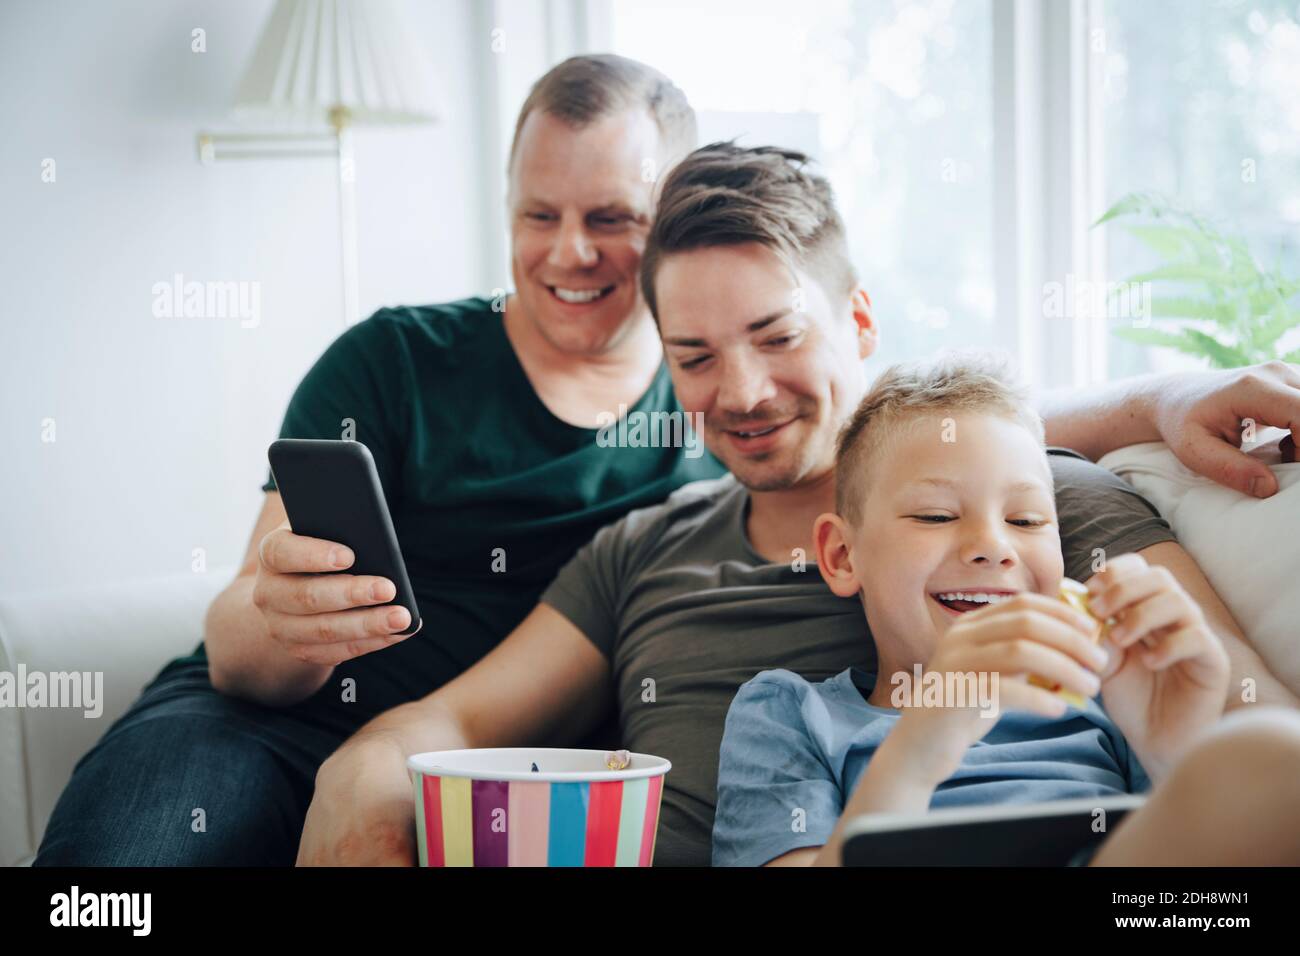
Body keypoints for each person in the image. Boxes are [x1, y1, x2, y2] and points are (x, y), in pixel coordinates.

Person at [296, 142, 1299, 867]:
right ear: (838, 552)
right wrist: (365, 767)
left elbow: (1256, 743)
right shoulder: (646, 549)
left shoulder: (1048, 504)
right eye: (693, 357)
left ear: (858, 321)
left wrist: (1150, 400)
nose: (738, 392)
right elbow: (456, 717)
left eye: (776, 335)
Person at [34, 54, 722, 866]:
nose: (569, 253)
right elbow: (234, 646)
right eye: (539, 216)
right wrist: (285, 621)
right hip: (269, 731)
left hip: (512, 773)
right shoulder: (392, 362)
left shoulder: (723, 408)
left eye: (610, 218)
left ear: (672, 219)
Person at [711, 353, 1300, 866]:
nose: (993, 546)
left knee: (1272, 756)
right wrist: (920, 747)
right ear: (842, 555)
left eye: (1025, 521)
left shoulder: (1113, 700)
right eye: (936, 516)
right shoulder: (789, 713)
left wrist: (1172, 754)